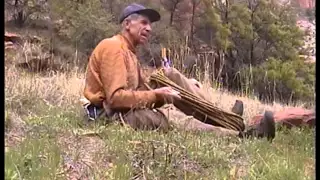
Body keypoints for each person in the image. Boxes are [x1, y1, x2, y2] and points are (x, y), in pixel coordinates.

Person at [82, 3, 276, 141]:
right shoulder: (113, 47)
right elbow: (115, 99)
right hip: (109, 114)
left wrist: (183, 86)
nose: (149, 29)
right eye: (143, 23)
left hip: (123, 107)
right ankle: (240, 136)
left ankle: (222, 116)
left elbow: (141, 88)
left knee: (169, 74)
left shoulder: (130, 52)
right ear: (127, 24)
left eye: (149, 25)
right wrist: (157, 97)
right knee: (168, 115)